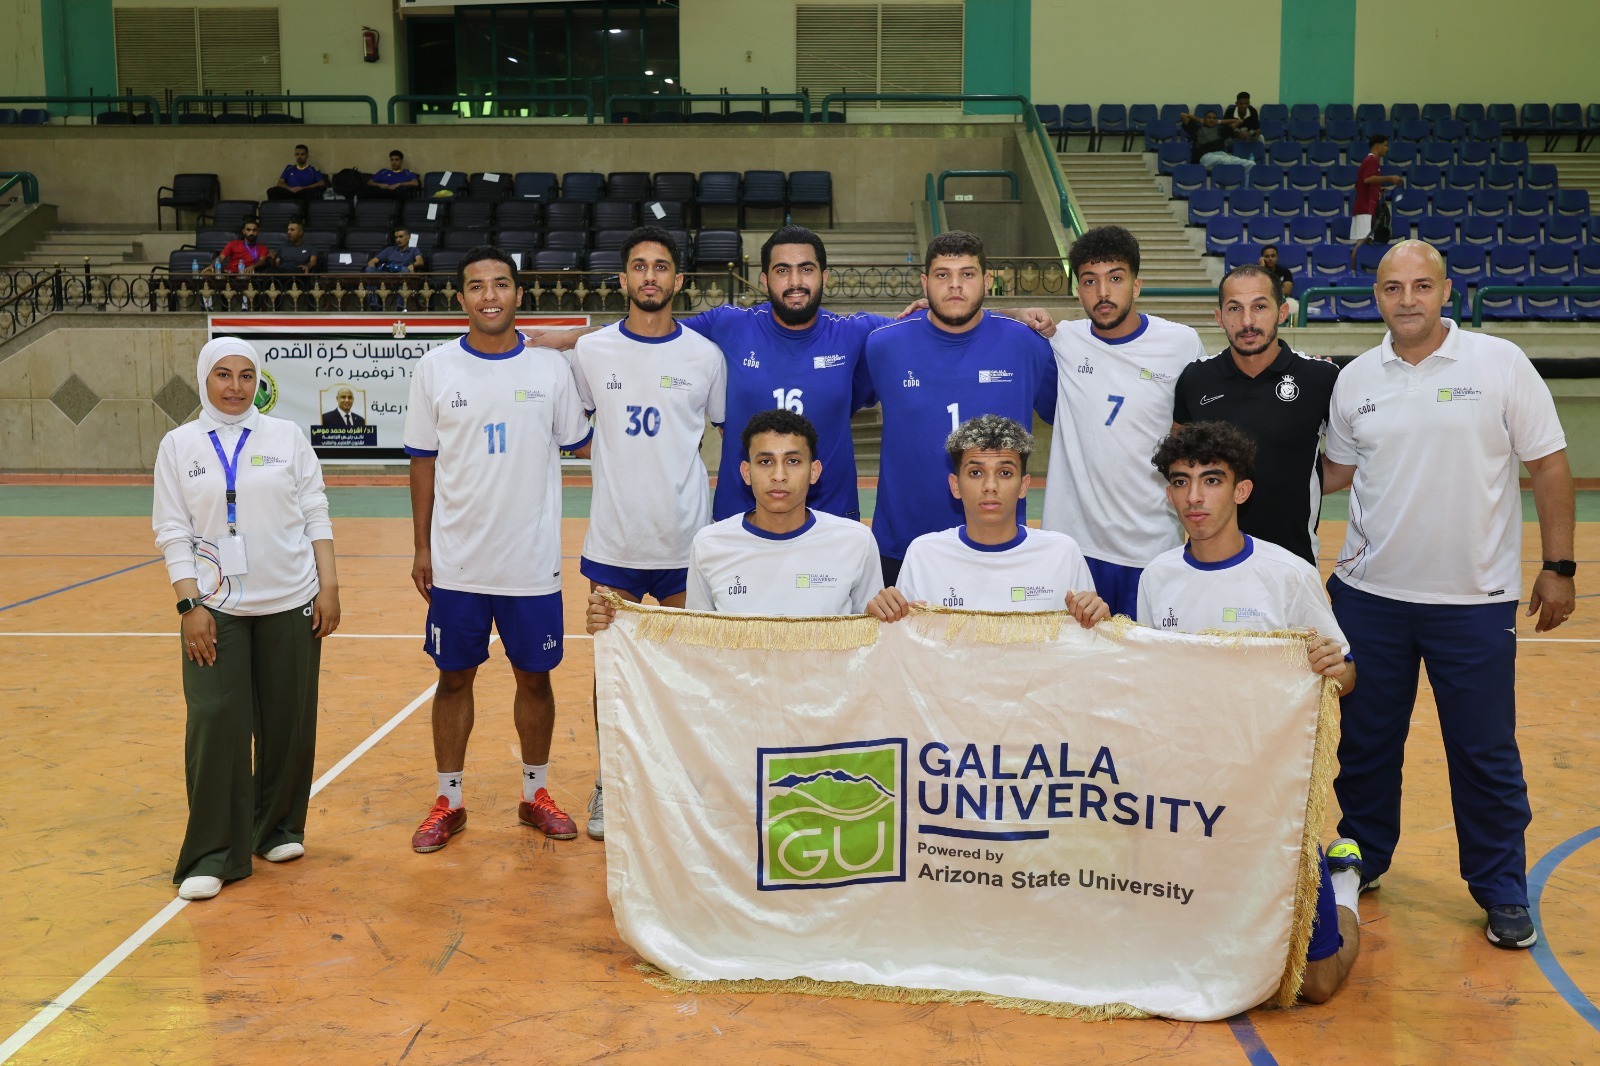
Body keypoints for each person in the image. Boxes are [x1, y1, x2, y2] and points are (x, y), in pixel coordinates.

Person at [1322, 240, 1576, 950]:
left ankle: (1500, 887)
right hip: (1369, 597)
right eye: (1392, 287)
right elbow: (1334, 472)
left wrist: (1559, 565)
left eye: (1421, 285)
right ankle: (1363, 857)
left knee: (1484, 751)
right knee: (1366, 746)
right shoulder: (1355, 378)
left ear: (1445, 291)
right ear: (1376, 296)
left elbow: (1549, 465)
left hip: (1474, 601)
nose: (1407, 299)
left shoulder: (1500, 363)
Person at [526, 225, 1054, 524]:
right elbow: (653, 326)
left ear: (824, 277)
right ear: (764, 278)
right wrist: (572, 337)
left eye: (806, 269)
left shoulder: (859, 334)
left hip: (832, 517)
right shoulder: (728, 326)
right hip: (742, 516)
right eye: (782, 270)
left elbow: (945, 312)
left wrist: (1014, 314)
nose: (795, 281)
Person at [1137, 421, 1359, 1003]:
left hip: (1271, 800)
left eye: (1211, 481)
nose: (1194, 497)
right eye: (1180, 482)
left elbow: (1346, 675)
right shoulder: (1158, 578)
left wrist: (1333, 667)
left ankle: (1345, 886)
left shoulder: (1287, 575)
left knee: (1317, 986)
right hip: (1191, 800)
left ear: (1241, 490)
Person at [403, 245, 594, 854]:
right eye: (477, 285)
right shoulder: (435, 368)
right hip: (458, 561)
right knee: (453, 678)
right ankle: (449, 801)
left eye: (501, 284)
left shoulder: (550, 370)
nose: (490, 295)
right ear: (461, 298)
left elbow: (581, 442)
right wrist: (421, 547)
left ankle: (535, 794)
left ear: (518, 293)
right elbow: (423, 463)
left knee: (534, 679)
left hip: (530, 563)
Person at [152, 336, 340, 901]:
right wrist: (189, 605)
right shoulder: (179, 445)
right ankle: (214, 853)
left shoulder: (286, 436)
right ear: (204, 379)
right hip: (216, 607)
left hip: (292, 599)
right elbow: (172, 530)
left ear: (258, 382)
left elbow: (315, 510)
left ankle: (276, 828)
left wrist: (328, 585)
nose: (235, 386)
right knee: (215, 723)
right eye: (223, 375)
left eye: (246, 375)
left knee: (288, 723)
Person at [569, 226, 726, 840]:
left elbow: (719, 428)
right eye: (639, 266)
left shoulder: (705, 357)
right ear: (623, 279)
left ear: (678, 280)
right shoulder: (592, 352)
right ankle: (610, 782)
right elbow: (580, 428)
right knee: (612, 672)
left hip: (686, 543)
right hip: (614, 543)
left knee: (689, 670)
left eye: (661, 267)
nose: (650, 276)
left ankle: (686, 781)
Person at [864, 231, 1057, 587]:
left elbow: (1066, 414)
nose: (955, 285)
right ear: (924, 283)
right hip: (902, 545)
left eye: (967, 274)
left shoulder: (1027, 344)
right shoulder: (883, 346)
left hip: (999, 544)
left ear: (987, 280)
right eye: (943, 275)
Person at [586, 408, 881, 631]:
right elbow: (695, 642)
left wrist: (889, 615)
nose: (779, 475)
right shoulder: (710, 545)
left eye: (793, 461)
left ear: (814, 471)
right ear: (746, 472)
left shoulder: (855, 542)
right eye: (765, 462)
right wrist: (618, 621)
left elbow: (872, 639)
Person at [1042, 225, 1207, 619]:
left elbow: (1197, 436)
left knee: (1145, 655)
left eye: (1115, 278)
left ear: (1136, 285)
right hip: (1074, 548)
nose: (1103, 292)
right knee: (1074, 655)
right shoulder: (1062, 340)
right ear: (1077, 290)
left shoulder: (1181, 343)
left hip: (1152, 546)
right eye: (1090, 281)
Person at [866, 414, 1106, 627]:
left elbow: (1089, 642)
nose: (990, 486)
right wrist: (882, 618)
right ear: (955, 485)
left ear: (1023, 486)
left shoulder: (1062, 553)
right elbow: (903, 640)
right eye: (976, 473)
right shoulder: (923, 554)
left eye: (1005, 473)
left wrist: (1097, 620)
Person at [1172, 264, 1338, 566]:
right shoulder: (1195, 379)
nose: (1247, 321)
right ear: (1219, 317)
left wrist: (1292, 483)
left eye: (1260, 307)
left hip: (1293, 561)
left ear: (1282, 312)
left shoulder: (1321, 378)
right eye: (1234, 308)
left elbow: (1343, 464)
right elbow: (1180, 463)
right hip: (1212, 560)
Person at [1350, 135, 1403, 266]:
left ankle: (1356, 270)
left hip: (1366, 207)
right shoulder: (1371, 160)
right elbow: (1367, 179)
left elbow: (1360, 185)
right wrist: (1390, 178)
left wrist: (1378, 189)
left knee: (1366, 240)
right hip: (1365, 208)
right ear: (1377, 146)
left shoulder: (1369, 161)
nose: (1387, 148)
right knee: (1362, 242)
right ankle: (1352, 271)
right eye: (1385, 145)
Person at [1177, 109, 1254, 173]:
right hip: (1205, 157)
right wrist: (1200, 120)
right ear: (1204, 119)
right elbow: (1183, 115)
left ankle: (1246, 185)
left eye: (1214, 118)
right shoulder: (1197, 128)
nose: (1212, 120)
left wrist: (1219, 121)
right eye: (1209, 118)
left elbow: (1239, 121)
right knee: (1226, 161)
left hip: (1221, 155)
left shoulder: (1221, 130)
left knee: (1250, 164)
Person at [366, 227, 424, 310]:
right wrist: (372, 267)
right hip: (386, 273)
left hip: (401, 273)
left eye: (401, 237)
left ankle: (400, 306)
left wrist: (412, 264)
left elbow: (420, 261)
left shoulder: (414, 250)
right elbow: (372, 261)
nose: (398, 240)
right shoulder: (389, 250)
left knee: (404, 270)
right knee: (369, 270)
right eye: (396, 237)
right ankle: (374, 304)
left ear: (408, 237)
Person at [207, 218, 271, 277]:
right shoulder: (233, 244)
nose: (251, 233)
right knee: (208, 272)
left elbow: (262, 261)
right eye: (248, 230)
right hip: (229, 273)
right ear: (243, 231)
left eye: (254, 230)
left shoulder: (263, 248)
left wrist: (253, 266)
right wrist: (211, 265)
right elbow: (221, 257)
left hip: (247, 274)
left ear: (258, 232)